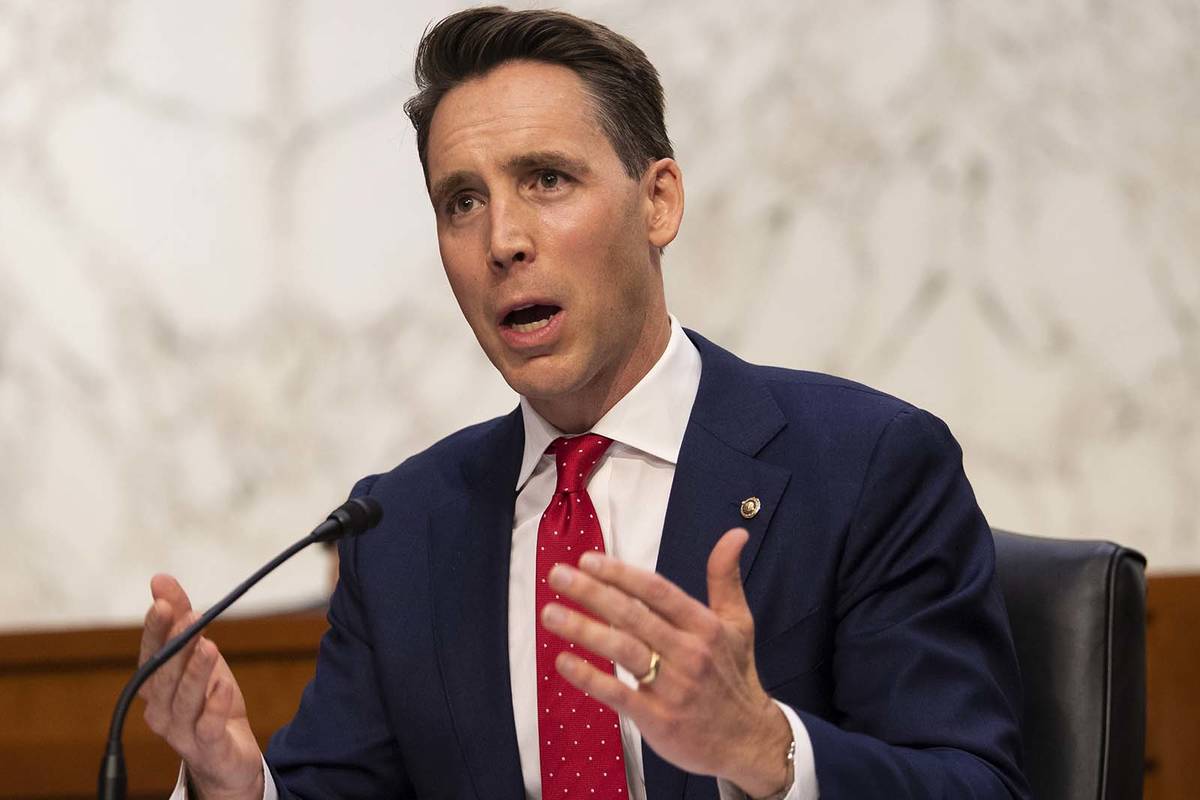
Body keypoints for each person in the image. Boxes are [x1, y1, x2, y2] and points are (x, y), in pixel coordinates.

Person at [139, 7, 1031, 799]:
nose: (503, 240)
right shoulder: (403, 528)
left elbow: (973, 782)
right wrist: (234, 786)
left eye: (547, 180)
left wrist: (767, 750)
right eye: (462, 201)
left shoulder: (866, 465)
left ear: (659, 202)